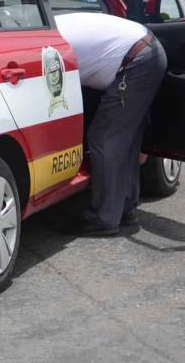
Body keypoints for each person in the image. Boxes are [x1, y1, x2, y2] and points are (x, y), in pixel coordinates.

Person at [54, 12, 168, 237]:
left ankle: (103, 219)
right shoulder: (54, 28)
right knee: (125, 139)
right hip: (145, 51)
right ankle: (124, 209)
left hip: (136, 61)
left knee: (106, 138)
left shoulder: (48, 45)